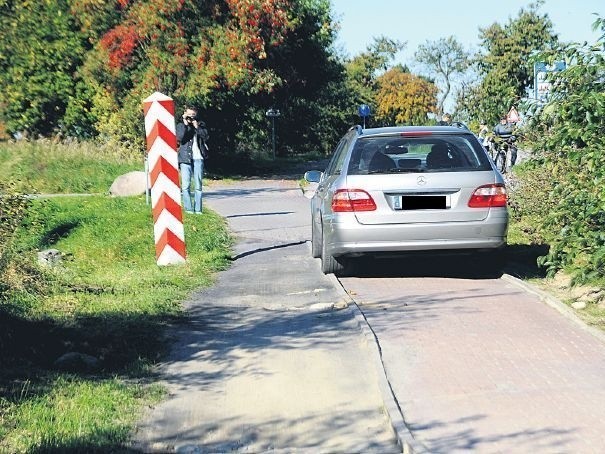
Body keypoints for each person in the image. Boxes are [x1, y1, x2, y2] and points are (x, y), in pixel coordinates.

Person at [176, 105, 209, 214]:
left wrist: (197, 127)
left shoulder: (201, 124)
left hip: (198, 158)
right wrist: (186, 124)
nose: (191, 117)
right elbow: (181, 138)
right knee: (185, 186)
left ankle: (198, 209)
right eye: (189, 115)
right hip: (185, 159)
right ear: (185, 114)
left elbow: (206, 136)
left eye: (193, 115)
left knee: (198, 185)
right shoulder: (181, 125)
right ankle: (189, 209)